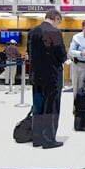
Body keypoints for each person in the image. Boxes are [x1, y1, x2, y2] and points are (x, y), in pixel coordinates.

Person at [27, 9, 67, 149]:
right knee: (51, 107)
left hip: (36, 76)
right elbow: (61, 55)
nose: (58, 25)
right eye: (59, 22)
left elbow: (30, 53)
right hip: (52, 77)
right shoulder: (54, 32)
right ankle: (48, 139)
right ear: (56, 18)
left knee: (38, 106)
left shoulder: (32, 32)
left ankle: (37, 138)